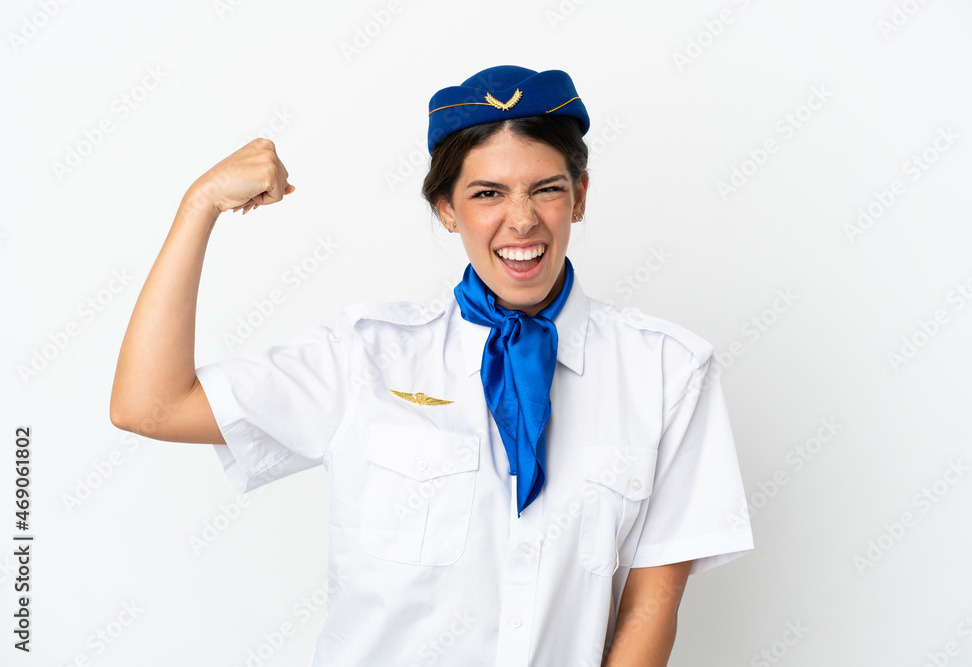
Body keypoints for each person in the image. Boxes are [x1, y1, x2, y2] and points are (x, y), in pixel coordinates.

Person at [110, 65, 754, 666]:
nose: (522, 219)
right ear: (447, 209)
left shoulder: (667, 370)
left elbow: (652, 602)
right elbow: (150, 405)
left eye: (547, 189)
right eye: (487, 193)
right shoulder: (365, 356)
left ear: (579, 196)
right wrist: (199, 206)